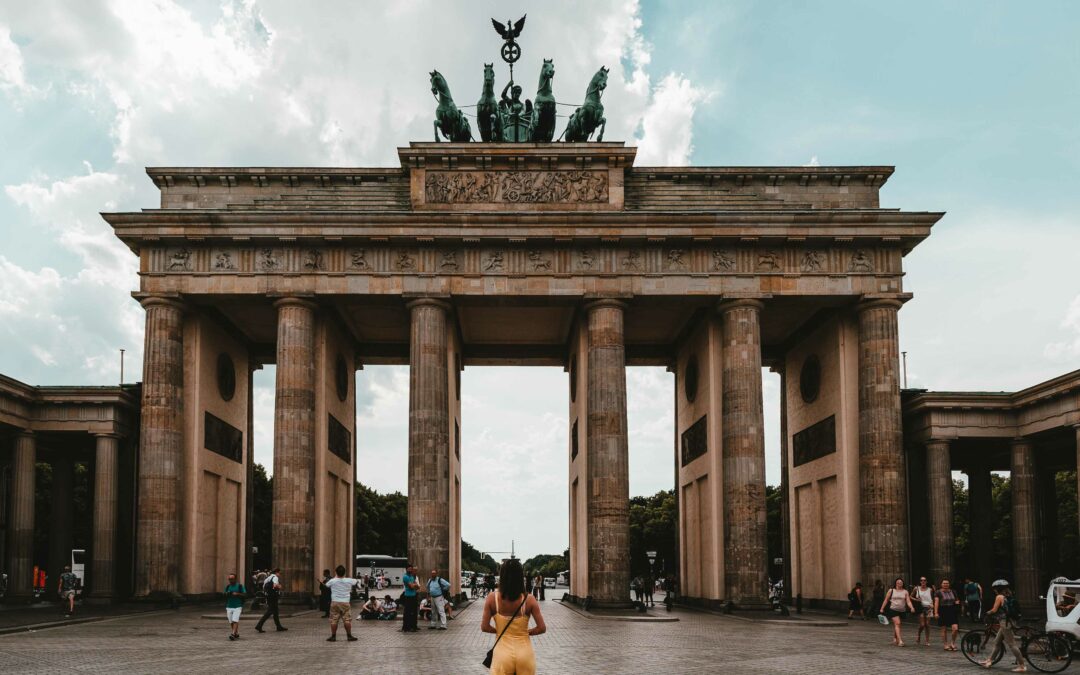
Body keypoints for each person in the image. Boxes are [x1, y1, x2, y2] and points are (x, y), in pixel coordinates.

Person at [481, 558, 547, 675]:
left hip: (502, 654)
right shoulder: (529, 599)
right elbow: (542, 628)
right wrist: (525, 632)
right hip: (525, 654)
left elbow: (484, 627)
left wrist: (500, 631)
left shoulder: (492, 598)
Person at [980, 579, 1026, 672]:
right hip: (1008, 621)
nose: (994, 590)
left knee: (1012, 644)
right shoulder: (1009, 595)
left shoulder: (999, 596)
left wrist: (986, 613)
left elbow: (994, 610)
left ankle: (1022, 666)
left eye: (994, 589)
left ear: (997, 589)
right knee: (997, 642)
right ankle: (989, 661)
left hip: (1005, 622)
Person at [324, 565, 358, 642]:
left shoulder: (333, 580)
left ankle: (333, 636)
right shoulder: (349, 580)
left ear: (336, 572)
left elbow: (326, 585)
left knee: (334, 619)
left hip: (335, 602)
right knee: (347, 620)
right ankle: (349, 636)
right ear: (344, 573)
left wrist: (336, 577)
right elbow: (357, 581)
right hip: (345, 602)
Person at [879, 577, 914, 647]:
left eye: (901, 582)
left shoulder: (905, 591)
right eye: (898, 582)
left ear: (903, 583)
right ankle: (900, 641)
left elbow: (908, 601)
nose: (899, 583)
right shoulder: (891, 590)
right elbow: (886, 600)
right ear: (895, 583)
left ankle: (895, 638)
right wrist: (882, 608)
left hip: (902, 610)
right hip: (893, 609)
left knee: (897, 625)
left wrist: (911, 607)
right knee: (898, 623)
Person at [255, 568, 287, 633]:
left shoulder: (268, 578)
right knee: (269, 612)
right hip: (273, 596)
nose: (280, 575)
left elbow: (264, 587)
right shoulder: (275, 577)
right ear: (276, 572)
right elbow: (275, 585)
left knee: (275, 612)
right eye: (279, 573)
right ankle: (259, 625)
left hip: (268, 596)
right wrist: (279, 586)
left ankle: (279, 626)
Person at [934, 578, 960, 651]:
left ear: (949, 584)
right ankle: (945, 644)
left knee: (955, 628)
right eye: (944, 583)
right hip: (942, 610)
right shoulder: (938, 592)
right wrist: (935, 613)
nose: (946, 584)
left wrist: (957, 602)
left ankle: (952, 643)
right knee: (944, 629)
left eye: (947, 583)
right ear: (941, 584)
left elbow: (957, 599)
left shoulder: (953, 591)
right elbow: (936, 603)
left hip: (952, 610)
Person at [913, 576, 935, 645]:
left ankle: (927, 641)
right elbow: (910, 596)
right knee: (922, 625)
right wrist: (916, 599)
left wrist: (932, 604)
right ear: (920, 581)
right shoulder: (916, 588)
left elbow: (933, 598)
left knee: (927, 624)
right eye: (921, 580)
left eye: (924, 580)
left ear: (926, 581)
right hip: (920, 608)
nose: (923, 581)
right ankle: (919, 635)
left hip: (928, 608)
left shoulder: (930, 589)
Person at [224, 572, 246, 641]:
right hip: (229, 606)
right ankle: (236, 633)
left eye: (232, 579)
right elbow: (224, 595)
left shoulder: (239, 586)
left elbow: (245, 594)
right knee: (231, 621)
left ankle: (233, 634)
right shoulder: (228, 586)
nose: (230, 580)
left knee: (235, 620)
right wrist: (227, 594)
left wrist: (237, 594)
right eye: (229, 579)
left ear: (235, 579)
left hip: (238, 606)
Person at [401, 564, 420, 632]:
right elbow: (412, 586)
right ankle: (406, 627)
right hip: (408, 596)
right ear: (406, 569)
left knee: (414, 612)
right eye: (409, 569)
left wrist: (414, 585)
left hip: (414, 596)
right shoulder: (405, 577)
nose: (410, 570)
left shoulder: (412, 577)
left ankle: (413, 626)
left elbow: (418, 587)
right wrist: (414, 585)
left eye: (411, 569)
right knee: (407, 612)